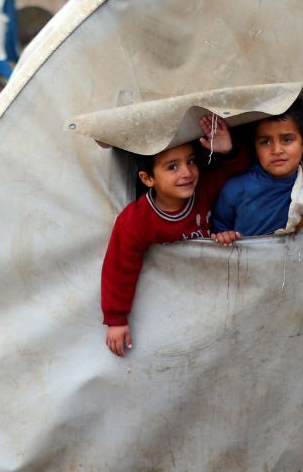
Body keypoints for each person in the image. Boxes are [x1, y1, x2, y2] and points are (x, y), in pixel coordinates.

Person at [101, 114, 252, 356]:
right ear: (147, 179)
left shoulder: (203, 191)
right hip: (167, 304)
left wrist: (228, 150)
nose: (187, 172)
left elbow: (238, 171)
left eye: (190, 161)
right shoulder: (137, 219)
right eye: (172, 167)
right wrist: (116, 319)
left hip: (209, 294)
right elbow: (119, 266)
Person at [210, 104, 303, 244]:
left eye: (287, 140)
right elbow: (218, 229)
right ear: (255, 149)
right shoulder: (236, 188)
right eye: (265, 142)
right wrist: (224, 236)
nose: (276, 150)